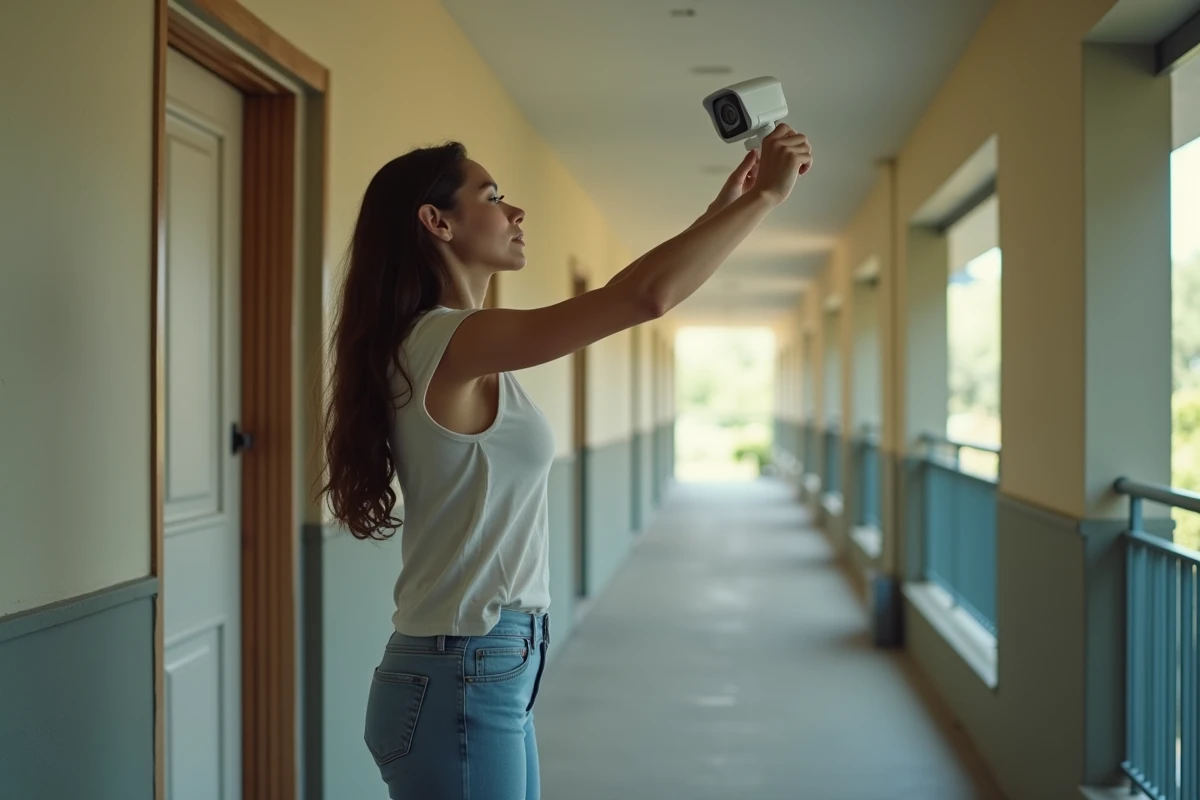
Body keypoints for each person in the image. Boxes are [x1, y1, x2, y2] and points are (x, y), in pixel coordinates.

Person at [319, 124, 813, 800]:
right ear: (437, 222)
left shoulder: (454, 344)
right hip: (463, 668)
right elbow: (643, 297)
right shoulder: (447, 341)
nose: (516, 212)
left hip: (482, 665)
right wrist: (764, 203)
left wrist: (721, 213)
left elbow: (642, 289)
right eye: (493, 196)